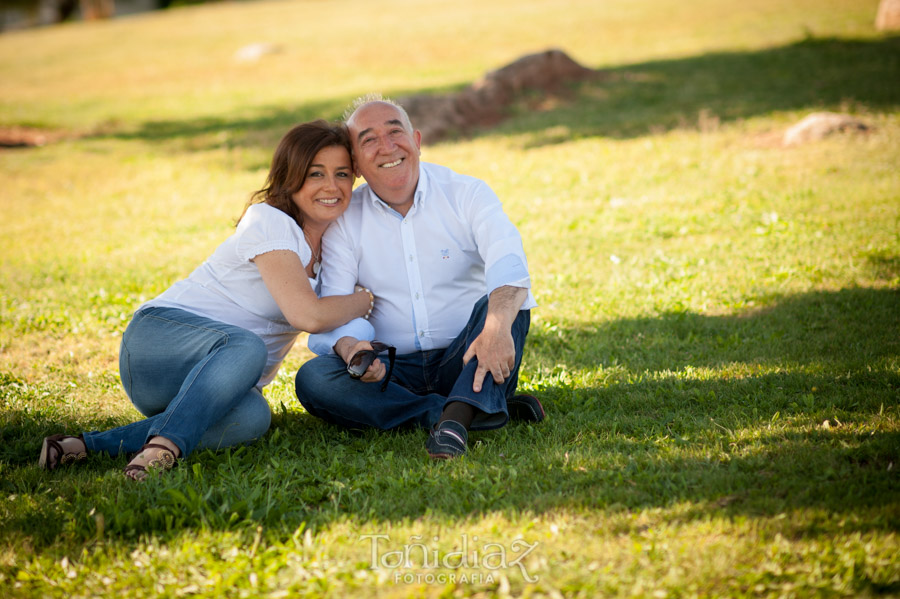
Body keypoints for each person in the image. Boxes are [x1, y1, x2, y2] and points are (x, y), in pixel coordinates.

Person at [39, 121, 375, 480]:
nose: (331, 186)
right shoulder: (269, 221)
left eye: (342, 174)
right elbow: (309, 315)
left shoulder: (335, 256)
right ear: (289, 176)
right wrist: (363, 300)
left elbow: (328, 322)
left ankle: (81, 446)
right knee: (245, 345)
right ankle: (166, 447)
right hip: (159, 343)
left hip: (214, 386)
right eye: (315, 173)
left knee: (253, 417)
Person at [294, 95, 544, 460]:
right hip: (391, 371)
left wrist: (495, 326)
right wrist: (351, 347)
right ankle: (469, 408)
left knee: (509, 304)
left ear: (417, 142)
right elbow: (334, 303)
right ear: (357, 164)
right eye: (369, 140)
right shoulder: (346, 220)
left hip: (469, 354)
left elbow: (509, 263)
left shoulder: (467, 193)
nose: (387, 147)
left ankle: (458, 419)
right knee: (314, 379)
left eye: (396, 132)